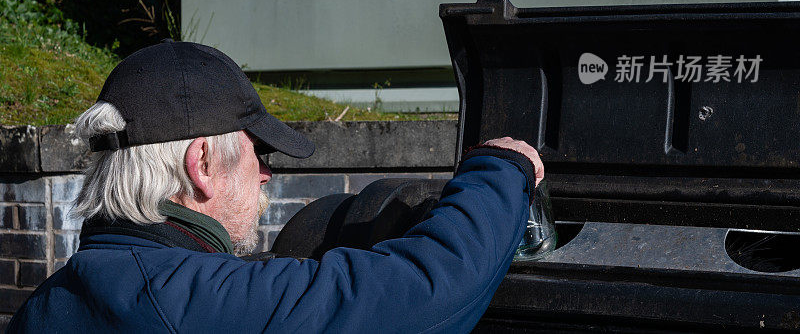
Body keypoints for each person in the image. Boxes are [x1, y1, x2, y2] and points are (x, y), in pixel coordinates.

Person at [8, 40, 544, 333]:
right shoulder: (195, 302)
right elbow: (426, 292)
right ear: (201, 165)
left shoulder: (51, 301)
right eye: (257, 152)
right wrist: (501, 170)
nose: (267, 172)